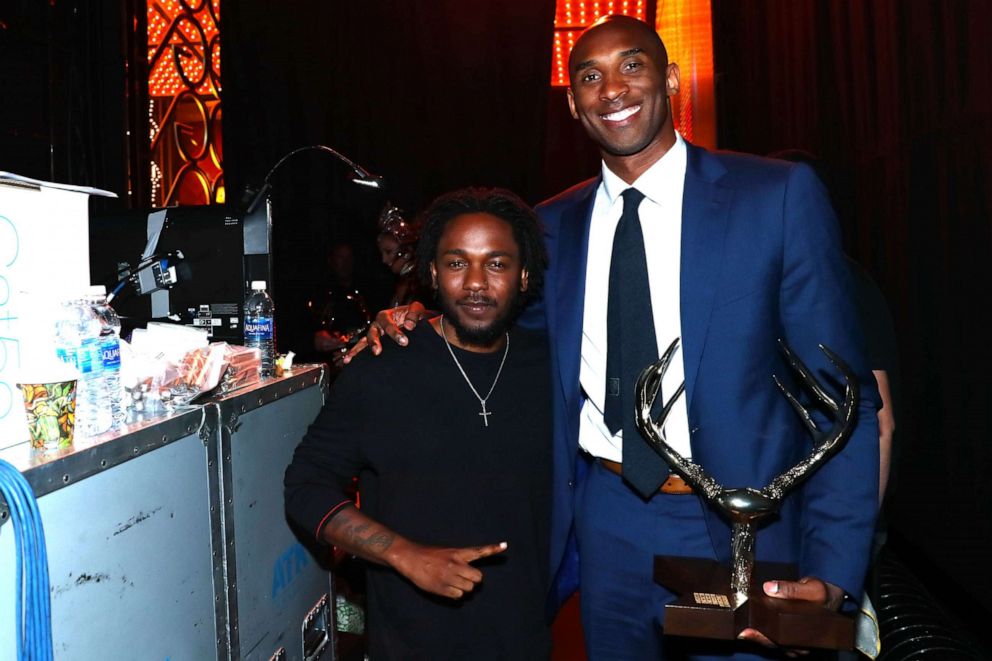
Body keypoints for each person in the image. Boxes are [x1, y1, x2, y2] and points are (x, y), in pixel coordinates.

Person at [354, 16, 880, 659]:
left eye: (632, 65)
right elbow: (498, 336)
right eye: (589, 76)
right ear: (573, 104)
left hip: (747, 529)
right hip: (606, 518)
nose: (612, 89)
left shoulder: (773, 197)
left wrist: (834, 576)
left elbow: (843, 398)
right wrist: (418, 319)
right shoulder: (548, 228)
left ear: (672, 80)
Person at [285, 187, 553, 660]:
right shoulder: (384, 365)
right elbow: (306, 485)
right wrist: (403, 554)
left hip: (524, 638)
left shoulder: (552, 367)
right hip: (411, 642)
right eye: (456, 262)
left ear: (523, 274)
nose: (475, 282)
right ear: (431, 271)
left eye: (496, 263)